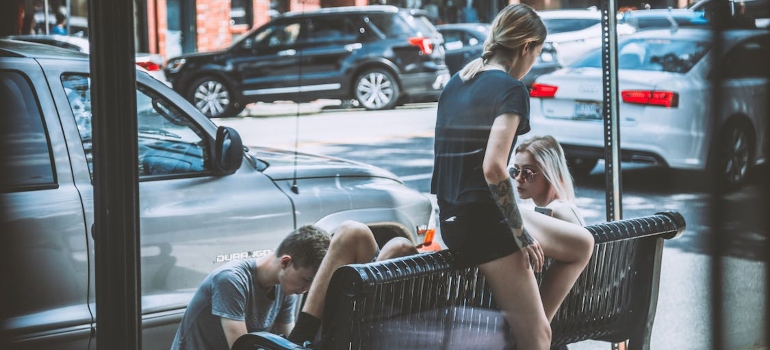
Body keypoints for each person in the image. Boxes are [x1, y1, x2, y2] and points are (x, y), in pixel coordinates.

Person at [431, 4, 595, 349]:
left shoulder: (458, 83)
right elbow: (493, 168)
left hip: (454, 218)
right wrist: (519, 233)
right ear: (526, 47)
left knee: (582, 243)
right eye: (537, 53)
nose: (534, 61)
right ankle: (529, 336)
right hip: (484, 224)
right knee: (538, 339)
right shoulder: (511, 89)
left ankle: (529, 332)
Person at [170, 222, 417, 349]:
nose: (308, 289)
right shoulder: (232, 280)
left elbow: (290, 339)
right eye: (308, 280)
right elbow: (242, 347)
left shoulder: (284, 288)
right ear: (286, 262)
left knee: (400, 247)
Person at [512, 135, 585, 226]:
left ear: (549, 174)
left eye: (527, 173)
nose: (518, 178)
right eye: (515, 170)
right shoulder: (558, 206)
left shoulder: (554, 211)